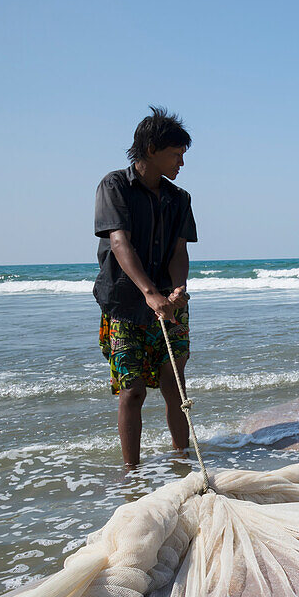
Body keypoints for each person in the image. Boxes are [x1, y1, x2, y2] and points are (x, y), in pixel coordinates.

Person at [93, 107, 196, 468]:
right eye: (175, 154)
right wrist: (150, 293)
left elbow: (178, 250)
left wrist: (178, 288)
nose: (181, 162)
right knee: (133, 391)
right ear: (151, 149)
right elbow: (120, 242)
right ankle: (132, 476)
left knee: (175, 385)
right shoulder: (114, 185)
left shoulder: (180, 198)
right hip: (123, 303)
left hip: (170, 303)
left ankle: (183, 461)